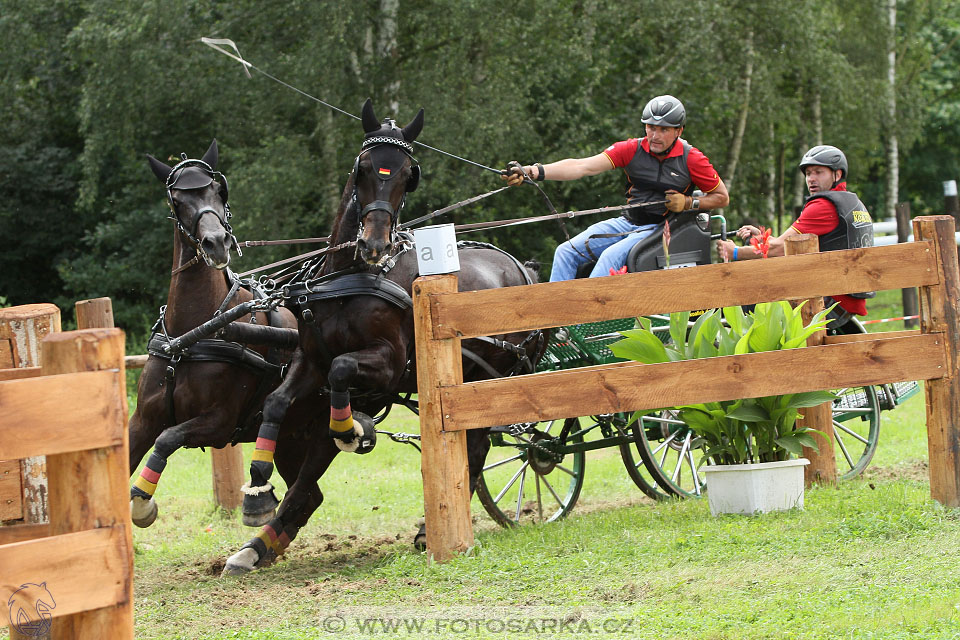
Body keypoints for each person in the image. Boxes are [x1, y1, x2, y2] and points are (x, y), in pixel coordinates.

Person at [503, 95, 729, 280]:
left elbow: (721, 197)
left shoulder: (692, 159)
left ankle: (586, 319)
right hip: (628, 222)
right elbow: (582, 166)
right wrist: (533, 171)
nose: (654, 135)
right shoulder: (630, 149)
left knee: (609, 258)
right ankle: (553, 319)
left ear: (679, 131)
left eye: (663, 130)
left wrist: (689, 202)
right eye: (650, 127)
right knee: (565, 251)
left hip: (662, 228)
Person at [716, 144, 874, 330]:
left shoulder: (823, 206)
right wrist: (761, 239)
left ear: (837, 175)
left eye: (818, 172)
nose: (811, 179)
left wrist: (734, 252)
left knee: (745, 294)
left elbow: (779, 249)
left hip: (827, 303)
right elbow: (789, 244)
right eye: (808, 173)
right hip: (842, 298)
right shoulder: (851, 203)